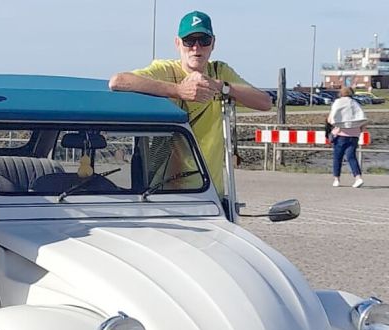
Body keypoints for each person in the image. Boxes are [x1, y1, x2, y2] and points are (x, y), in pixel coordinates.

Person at [109, 10, 271, 197]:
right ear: (177, 43)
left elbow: (265, 102)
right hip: (163, 191)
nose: (196, 48)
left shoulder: (219, 71)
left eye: (203, 41)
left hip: (209, 192)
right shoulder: (166, 70)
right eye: (189, 41)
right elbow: (118, 81)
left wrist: (219, 86)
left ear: (213, 44)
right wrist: (178, 91)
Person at [327, 86, 367, 188]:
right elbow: (361, 118)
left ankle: (337, 179)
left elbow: (330, 119)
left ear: (341, 93)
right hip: (354, 135)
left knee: (337, 157)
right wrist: (361, 129)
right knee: (351, 156)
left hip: (340, 134)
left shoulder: (338, 103)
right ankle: (358, 178)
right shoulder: (355, 103)